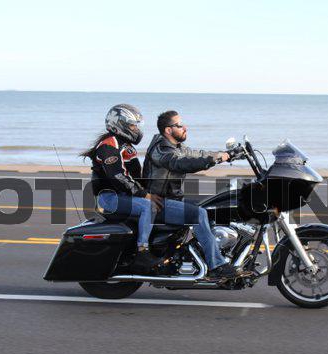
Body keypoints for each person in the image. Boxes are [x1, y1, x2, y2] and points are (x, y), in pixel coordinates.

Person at [142, 110, 238, 279]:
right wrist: (214, 160)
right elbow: (180, 163)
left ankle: (203, 252)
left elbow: (198, 154)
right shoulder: (161, 150)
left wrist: (226, 155)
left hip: (172, 200)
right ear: (168, 130)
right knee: (198, 214)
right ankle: (216, 265)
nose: (185, 128)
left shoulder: (176, 147)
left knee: (212, 206)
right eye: (179, 125)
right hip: (159, 203)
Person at [80, 104, 163, 257]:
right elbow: (118, 176)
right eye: (132, 125)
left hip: (123, 195)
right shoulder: (109, 145)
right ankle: (143, 250)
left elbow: (135, 176)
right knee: (149, 207)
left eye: (136, 125)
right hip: (109, 198)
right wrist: (144, 194)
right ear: (119, 124)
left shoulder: (124, 144)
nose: (136, 129)